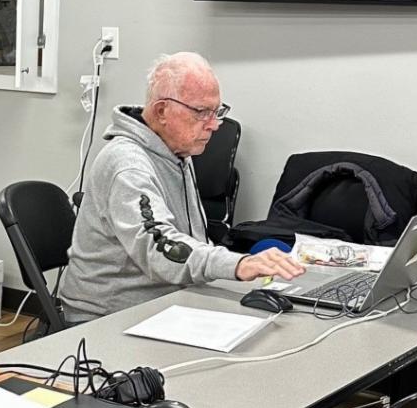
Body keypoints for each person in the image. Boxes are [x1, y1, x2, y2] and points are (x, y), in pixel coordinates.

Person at [57, 52, 304, 323]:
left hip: (166, 299)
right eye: (202, 112)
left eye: (217, 112)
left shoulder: (175, 151)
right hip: (106, 317)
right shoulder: (128, 164)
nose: (214, 125)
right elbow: (161, 247)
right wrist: (238, 264)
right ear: (162, 111)